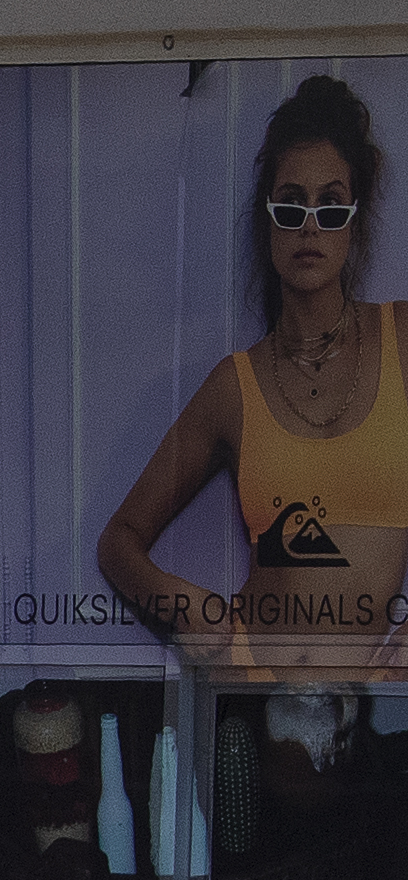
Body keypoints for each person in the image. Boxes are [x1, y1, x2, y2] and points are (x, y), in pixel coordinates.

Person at [100, 73, 408, 684]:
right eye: (290, 204)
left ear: (356, 216)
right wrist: (181, 606)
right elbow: (120, 542)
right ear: (268, 218)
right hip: (252, 699)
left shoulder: (402, 339)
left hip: (375, 716)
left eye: (331, 204)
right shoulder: (233, 388)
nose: (310, 225)